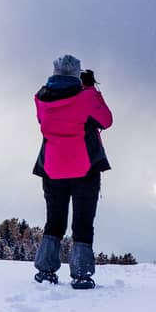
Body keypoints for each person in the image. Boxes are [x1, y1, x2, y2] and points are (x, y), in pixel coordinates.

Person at [31, 54, 112, 289]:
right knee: (83, 222)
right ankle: (81, 274)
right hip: (84, 169)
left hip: (52, 168)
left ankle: (46, 270)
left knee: (54, 221)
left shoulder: (41, 99)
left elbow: (46, 121)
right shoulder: (86, 98)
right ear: (77, 74)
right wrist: (91, 89)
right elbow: (105, 120)